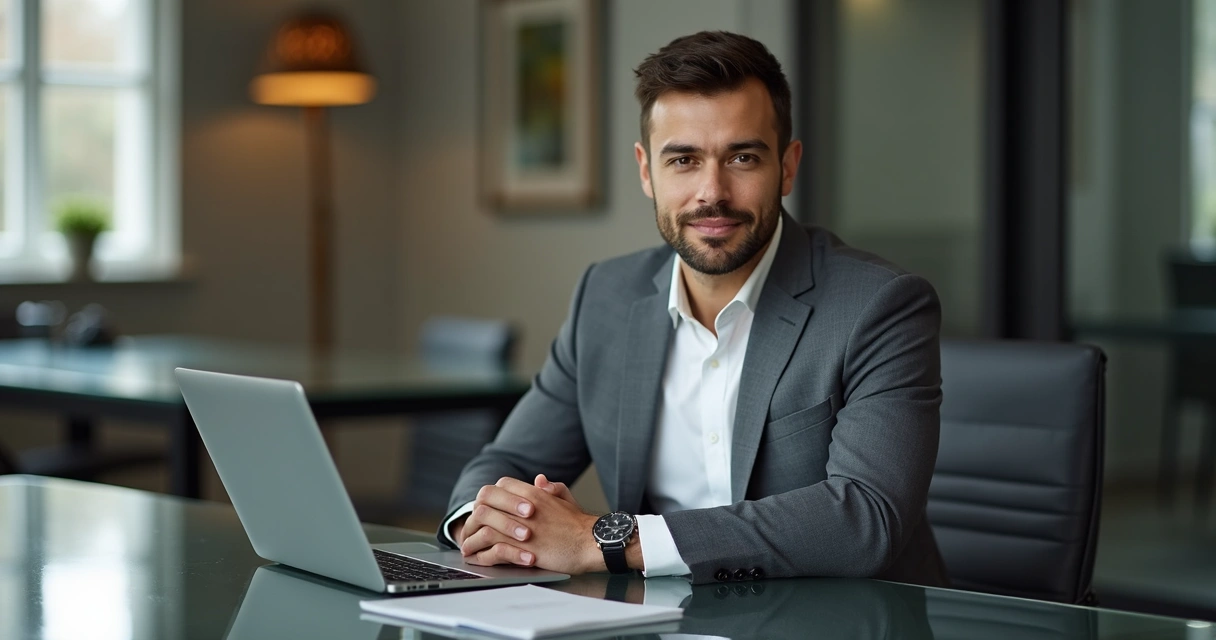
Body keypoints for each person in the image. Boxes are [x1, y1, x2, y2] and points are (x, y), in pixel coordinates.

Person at [437, 30, 949, 586]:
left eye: (743, 157)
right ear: (646, 171)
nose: (712, 192)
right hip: (655, 615)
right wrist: (483, 525)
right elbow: (506, 463)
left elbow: (865, 519)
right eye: (683, 159)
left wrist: (603, 540)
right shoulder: (606, 297)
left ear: (787, 166)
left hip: (842, 617)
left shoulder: (878, 306)